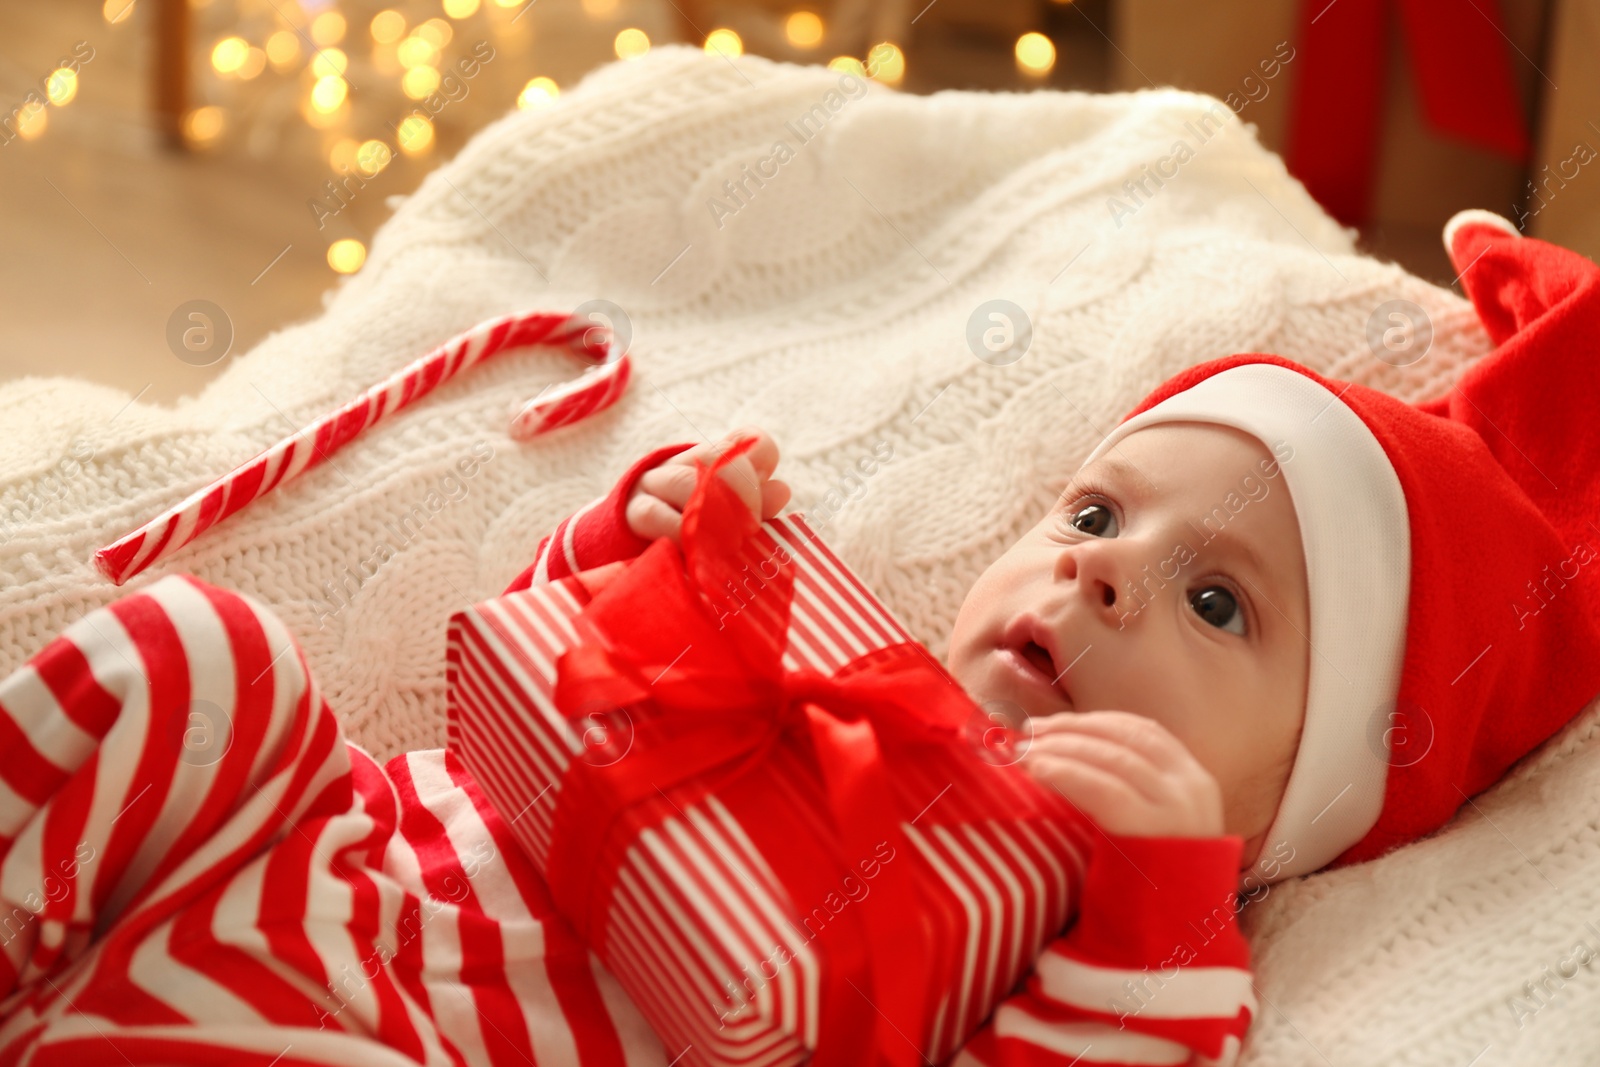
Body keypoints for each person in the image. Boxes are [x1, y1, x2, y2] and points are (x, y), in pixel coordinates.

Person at [1, 210, 1594, 1065]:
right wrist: (640, 549)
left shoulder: (1112, 952)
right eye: (1096, 519)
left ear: (1291, 805)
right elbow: (563, 696)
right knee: (202, 655)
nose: (1108, 579)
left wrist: (1163, 893)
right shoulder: (865, 661)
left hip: (402, 1033)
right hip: (316, 845)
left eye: (1220, 604)